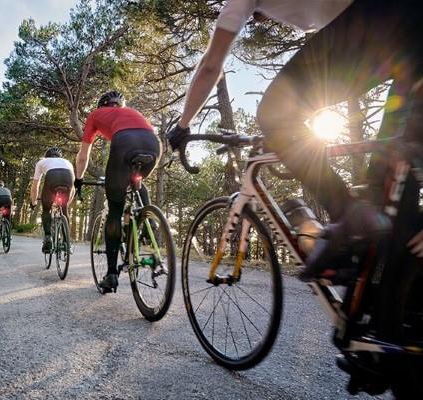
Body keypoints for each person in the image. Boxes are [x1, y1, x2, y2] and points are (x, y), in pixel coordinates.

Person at [166, 0, 421, 281]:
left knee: (276, 111)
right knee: (388, 190)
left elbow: (211, 65)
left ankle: (348, 216)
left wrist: (183, 124)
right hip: (406, 39)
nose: (258, 22)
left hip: (385, 18)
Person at [75, 91, 161, 292]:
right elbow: (150, 133)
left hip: (124, 142)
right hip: (153, 144)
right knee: (137, 183)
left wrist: (78, 179)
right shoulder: (133, 112)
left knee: (115, 207)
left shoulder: (96, 114)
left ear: (102, 104)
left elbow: (83, 155)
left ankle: (112, 274)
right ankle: (148, 221)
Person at [30, 146, 75, 253]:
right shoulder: (67, 162)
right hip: (67, 178)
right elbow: (73, 188)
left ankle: (48, 237)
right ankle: (66, 242)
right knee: (64, 210)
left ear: (47, 156)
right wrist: (67, 203)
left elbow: (35, 185)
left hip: (52, 178)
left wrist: (33, 201)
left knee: (46, 209)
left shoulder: (42, 162)